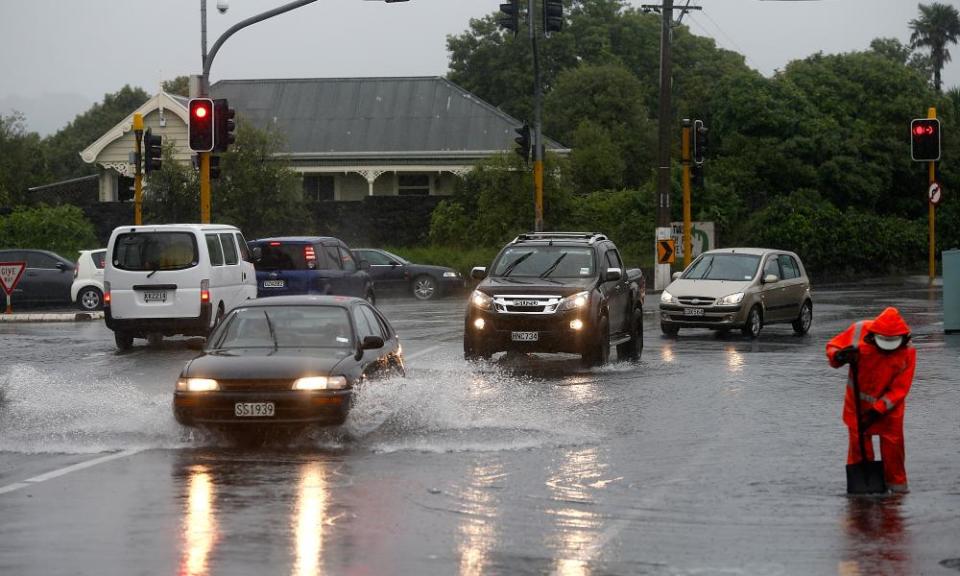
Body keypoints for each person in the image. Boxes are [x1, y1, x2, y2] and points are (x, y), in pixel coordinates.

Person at [826, 307, 916, 493]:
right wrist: (838, 356)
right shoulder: (859, 330)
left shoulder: (908, 352)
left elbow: (900, 389)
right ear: (873, 336)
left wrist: (878, 409)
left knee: (893, 453)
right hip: (858, 407)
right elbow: (833, 346)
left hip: (888, 412)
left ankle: (897, 491)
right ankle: (863, 492)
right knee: (860, 451)